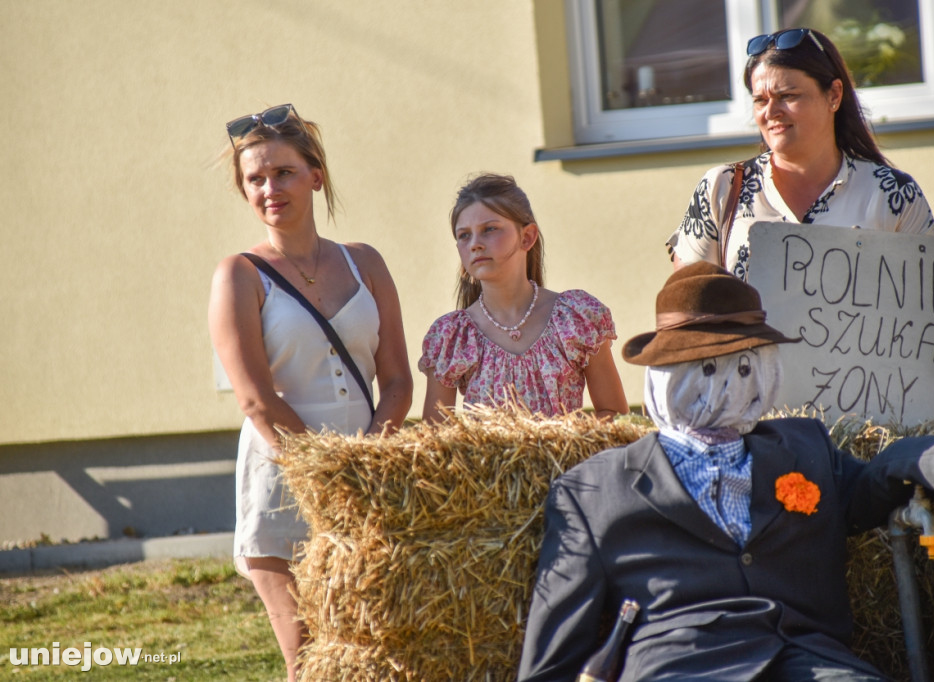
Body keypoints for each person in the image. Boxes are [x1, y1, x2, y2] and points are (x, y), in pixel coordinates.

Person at [517, 261, 934, 682]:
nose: (732, 385)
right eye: (709, 369)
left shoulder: (804, 446)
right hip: (681, 667)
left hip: (812, 663)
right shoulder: (593, 490)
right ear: (665, 376)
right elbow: (551, 662)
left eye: (746, 368)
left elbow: (872, 484)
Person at [208, 103, 413, 681]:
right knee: (312, 662)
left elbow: (397, 379)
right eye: (255, 178)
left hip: (365, 479)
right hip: (284, 480)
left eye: (284, 172)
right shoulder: (238, 275)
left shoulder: (365, 262)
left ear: (315, 175)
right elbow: (254, 398)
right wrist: (327, 470)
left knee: (377, 653)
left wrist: (370, 457)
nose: (270, 188)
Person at [666, 28, 934, 281]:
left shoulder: (892, 195)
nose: (771, 112)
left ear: (834, 95)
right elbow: (688, 311)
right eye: (760, 100)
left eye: (787, 96)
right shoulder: (722, 189)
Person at [419, 173, 628, 422]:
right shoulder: (451, 337)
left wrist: (569, 439)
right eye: (464, 235)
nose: (475, 244)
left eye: (490, 229)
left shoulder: (576, 317)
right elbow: (435, 439)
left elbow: (615, 416)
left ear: (527, 237)